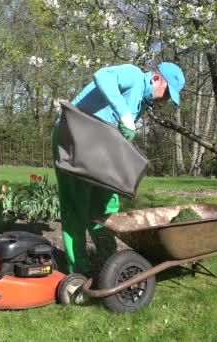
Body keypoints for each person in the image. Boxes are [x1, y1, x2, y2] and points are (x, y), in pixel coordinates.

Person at [52, 62, 185, 276]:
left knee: (107, 203)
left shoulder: (142, 102)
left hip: (98, 146)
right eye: (167, 93)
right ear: (156, 78)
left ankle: (108, 262)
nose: (166, 99)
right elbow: (102, 75)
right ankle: (79, 272)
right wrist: (124, 114)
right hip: (73, 138)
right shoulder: (133, 75)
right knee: (77, 205)